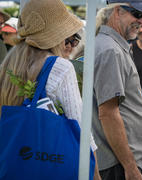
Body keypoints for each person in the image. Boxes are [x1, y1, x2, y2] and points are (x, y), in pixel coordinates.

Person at [0, 0, 101, 179]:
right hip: (49, 162)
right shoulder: (60, 67)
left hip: (11, 162)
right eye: (68, 39)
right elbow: (80, 127)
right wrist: (95, 173)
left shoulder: (9, 62)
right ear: (56, 34)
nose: (71, 45)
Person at [92, 0, 142, 179]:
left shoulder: (110, 45)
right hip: (118, 164)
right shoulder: (110, 50)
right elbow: (108, 113)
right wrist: (130, 167)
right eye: (137, 14)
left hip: (116, 160)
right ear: (117, 11)